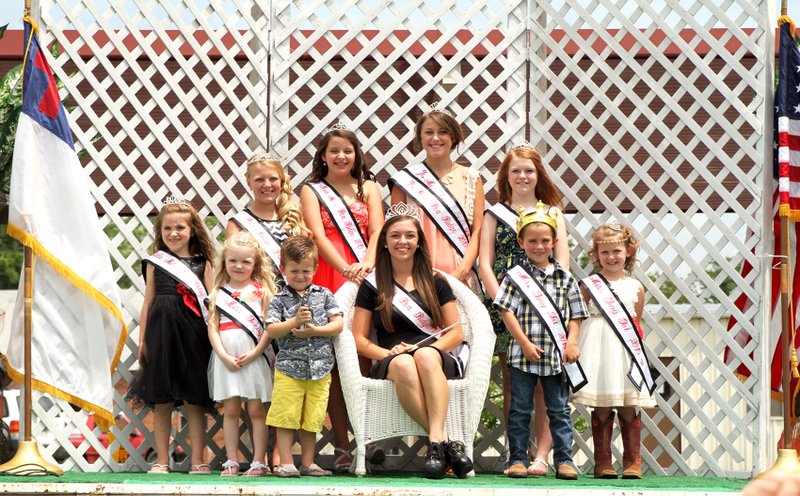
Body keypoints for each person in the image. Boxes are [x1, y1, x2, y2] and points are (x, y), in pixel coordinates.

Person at [351, 203, 474, 479]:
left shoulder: (436, 281)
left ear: (419, 242)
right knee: (406, 364)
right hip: (392, 356)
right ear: (384, 241)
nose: (402, 241)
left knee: (423, 357)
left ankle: (436, 445)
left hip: (434, 353)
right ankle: (445, 444)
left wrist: (425, 347)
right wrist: (387, 352)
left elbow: (456, 332)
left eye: (409, 235)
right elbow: (359, 339)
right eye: (395, 235)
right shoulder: (372, 285)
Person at [478, 143, 567, 476]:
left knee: (549, 381)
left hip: (546, 309)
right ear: (506, 176)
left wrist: (557, 307)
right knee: (514, 381)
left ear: (538, 174)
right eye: (515, 170)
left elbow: (563, 265)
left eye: (529, 170)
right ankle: (517, 452)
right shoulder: (494, 213)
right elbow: (484, 262)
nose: (522, 176)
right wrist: (501, 299)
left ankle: (542, 454)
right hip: (508, 308)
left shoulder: (553, 213)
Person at [299, 124, 384, 471]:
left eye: (347, 151)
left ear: (356, 155)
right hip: (328, 275)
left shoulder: (371, 188)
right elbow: (316, 235)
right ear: (323, 155)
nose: (340, 156)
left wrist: (365, 264)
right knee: (333, 364)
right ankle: (343, 444)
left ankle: (369, 436)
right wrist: (345, 268)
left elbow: (378, 230)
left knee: (364, 358)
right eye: (333, 150)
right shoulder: (312, 190)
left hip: (366, 274)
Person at [493, 202, 588, 480]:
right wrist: (522, 342)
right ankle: (518, 459)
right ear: (521, 242)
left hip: (558, 359)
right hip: (522, 356)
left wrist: (571, 343)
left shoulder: (566, 278)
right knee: (520, 409)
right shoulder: (515, 277)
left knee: (558, 410)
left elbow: (576, 316)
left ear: (555, 242)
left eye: (545, 240)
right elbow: (506, 311)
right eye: (532, 241)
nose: (539, 246)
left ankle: (565, 460)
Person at [128, 198, 216, 474]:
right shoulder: (155, 262)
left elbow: (212, 303)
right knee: (162, 400)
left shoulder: (205, 263)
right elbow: (148, 301)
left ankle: (198, 458)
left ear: (193, 230)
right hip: (162, 335)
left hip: (193, 336)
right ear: (160, 231)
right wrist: (143, 340)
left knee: (194, 399)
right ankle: (162, 460)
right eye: (167, 228)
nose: (173, 233)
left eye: (180, 227)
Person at [571, 224, 657, 479]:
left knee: (628, 403)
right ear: (596, 254)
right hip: (597, 347)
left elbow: (636, 321)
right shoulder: (588, 285)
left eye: (616, 251)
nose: (611, 257)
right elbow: (577, 316)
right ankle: (603, 462)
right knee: (602, 405)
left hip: (624, 350)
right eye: (605, 252)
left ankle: (633, 461)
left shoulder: (636, 287)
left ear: (628, 252)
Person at [265, 236, 344, 478]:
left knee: (312, 419)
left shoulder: (325, 294)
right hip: (290, 368)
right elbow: (271, 329)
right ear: (283, 269)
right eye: (294, 271)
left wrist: (315, 331)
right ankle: (286, 462)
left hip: (320, 368)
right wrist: (294, 322)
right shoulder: (278, 299)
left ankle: (308, 462)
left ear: (316, 269)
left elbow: (338, 324)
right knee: (286, 416)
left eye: (306, 271)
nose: (300, 276)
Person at [389, 103, 484, 296]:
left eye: (443, 132)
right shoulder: (405, 181)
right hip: (414, 276)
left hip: (460, 275)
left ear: (454, 137)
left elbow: (478, 231)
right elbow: (396, 232)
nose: (435, 138)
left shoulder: (471, 178)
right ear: (421, 138)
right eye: (429, 132)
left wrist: (461, 271)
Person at [207, 233, 277, 476]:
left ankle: (259, 461)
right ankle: (232, 460)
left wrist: (257, 352)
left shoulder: (262, 291)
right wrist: (224, 356)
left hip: (254, 356)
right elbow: (213, 329)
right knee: (231, 410)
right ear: (224, 262)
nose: (239, 266)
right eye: (233, 261)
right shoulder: (218, 293)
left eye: (246, 262)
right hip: (226, 358)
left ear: (255, 264)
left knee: (256, 410)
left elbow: (270, 327)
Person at [227, 152, 310, 290]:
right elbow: (233, 270)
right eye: (259, 179)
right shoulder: (237, 224)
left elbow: (307, 262)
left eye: (273, 179)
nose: (267, 185)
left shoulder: (294, 218)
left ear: (281, 181)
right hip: (256, 298)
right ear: (249, 182)